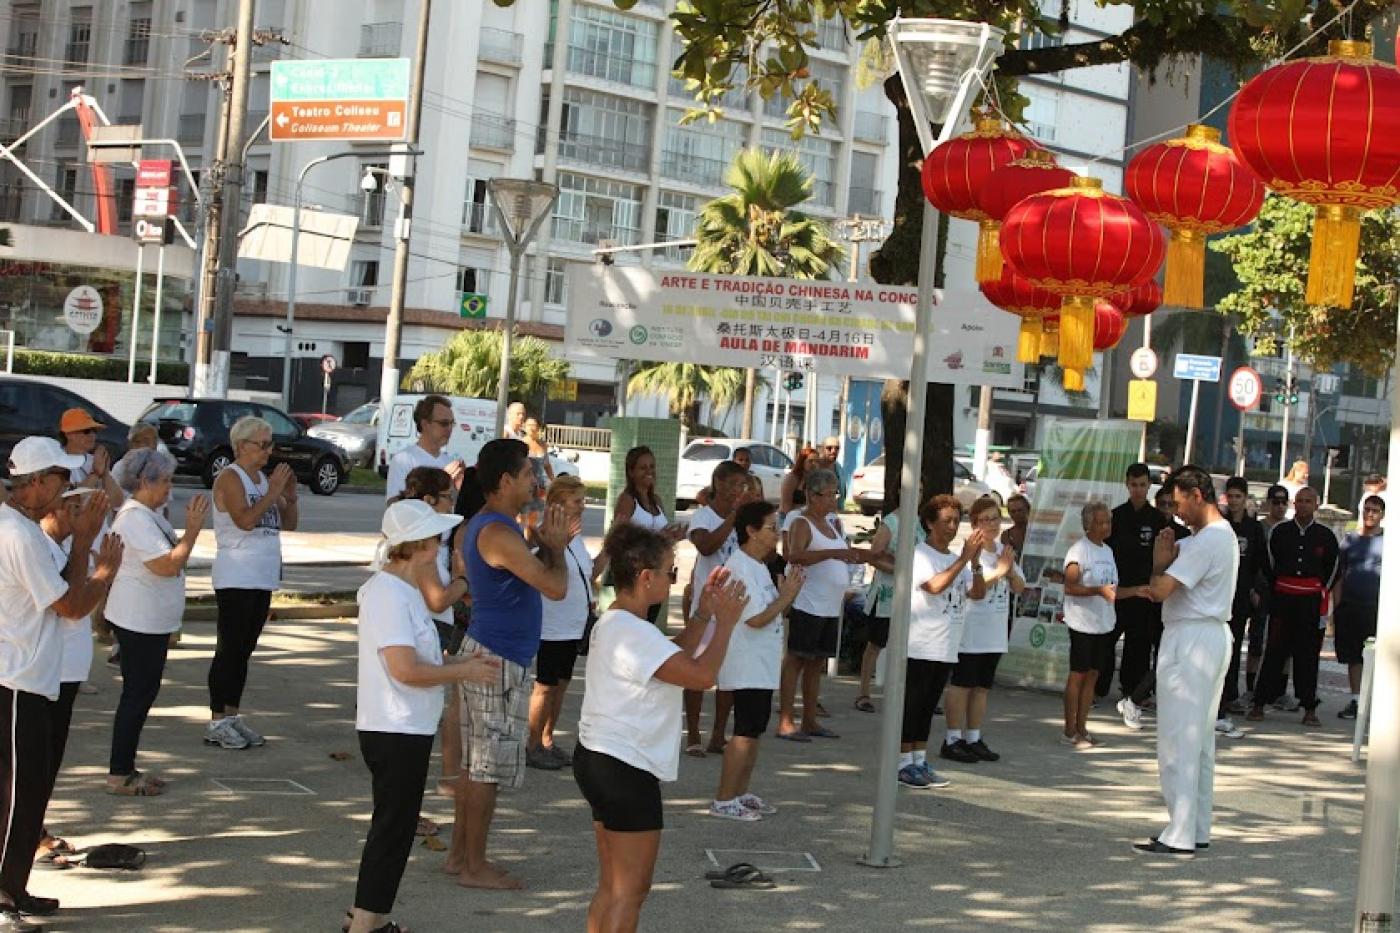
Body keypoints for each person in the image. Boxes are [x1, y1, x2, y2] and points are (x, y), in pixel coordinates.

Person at [574, 524, 748, 932]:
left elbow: (672, 655)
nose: (674, 581)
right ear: (646, 577)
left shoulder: (620, 622)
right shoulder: (632, 632)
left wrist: (704, 613)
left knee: (613, 886)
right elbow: (702, 676)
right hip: (624, 769)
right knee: (630, 891)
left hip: (602, 760)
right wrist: (725, 623)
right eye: (671, 572)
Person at [347, 499, 501, 933]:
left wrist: (453, 666)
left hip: (404, 726)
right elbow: (404, 668)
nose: (440, 545)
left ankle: (367, 916)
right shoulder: (388, 594)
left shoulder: (402, 591)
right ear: (419, 545)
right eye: (435, 537)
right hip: (394, 728)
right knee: (392, 832)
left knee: (392, 829)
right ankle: (366, 924)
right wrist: (463, 671)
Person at [0, 436, 122, 925]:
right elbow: (73, 606)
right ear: (34, 484)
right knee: (14, 798)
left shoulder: (29, 533)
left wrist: (83, 543)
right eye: (61, 479)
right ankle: (3, 896)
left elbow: (67, 598)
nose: (69, 488)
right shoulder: (18, 536)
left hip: (32, 679)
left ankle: (13, 886)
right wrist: (104, 567)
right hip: (14, 680)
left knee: (31, 793)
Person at [447, 438, 568, 891]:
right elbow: (554, 588)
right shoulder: (496, 530)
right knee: (485, 769)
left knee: (478, 765)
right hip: (496, 659)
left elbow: (516, 578)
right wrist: (553, 549)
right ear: (504, 480)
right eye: (527, 474)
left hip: (494, 654)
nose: (535, 482)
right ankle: (474, 866)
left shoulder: (497, 527)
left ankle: (461, 858)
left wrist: (540, 546)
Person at [1135, 466, 1239, 858]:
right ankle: (1195, 827)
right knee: (1199, 740)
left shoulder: (1205, 541)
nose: (1176, 512)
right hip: (1207, 634)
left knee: (1180, 737)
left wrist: (1160, 560)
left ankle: (1179, 831)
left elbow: (1159, 590)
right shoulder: (1218, 536)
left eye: (1178, 502)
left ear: (1197, 494)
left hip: (1192, 637)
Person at [105, 449, 209, 795]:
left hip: (152, 620)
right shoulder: (134, 517)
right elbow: (166, 565)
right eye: (165, 480)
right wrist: (192, 531)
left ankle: (126, 766)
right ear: (144, 481)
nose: (170, 487)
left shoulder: (151, 516)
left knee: (143, 693)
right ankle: (119, 773)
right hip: (137, 620)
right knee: (137, 695)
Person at [206, 415, 299, 750]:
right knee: (229, 649)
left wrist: (288, 495)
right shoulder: (231, 478)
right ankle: (217, 719)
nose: (268, 451)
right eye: (262, 444)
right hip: (237, 573)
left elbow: (288, 524)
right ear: (241, 446)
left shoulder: (262, 479)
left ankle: (232, 715)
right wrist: (272, 491)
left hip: (262, 575)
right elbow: (245, 520)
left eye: (271, 444)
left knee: (244, 651)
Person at [710, 501, 804, 821]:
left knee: (755, 730)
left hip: (762, 663)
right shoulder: (738, 567)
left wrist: (785, 597)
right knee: (745, 730)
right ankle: (724, 798)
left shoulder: (760, 566)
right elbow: (755, 619)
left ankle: (740, 791)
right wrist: (787, 596)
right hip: (746, 661)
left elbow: (774, 611)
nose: (776, 534)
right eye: (771, 528)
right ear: (750, 531)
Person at [391, 467, 471, 801]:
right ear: (428, 500)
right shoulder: (418, 546)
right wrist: (463, 582)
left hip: (435, 630)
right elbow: (436, 599)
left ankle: (431, 788)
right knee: (414, 720)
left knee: (432, 713)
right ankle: (420, 798)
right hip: (426, 631)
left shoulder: (431, 544)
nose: (453, 503)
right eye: (448, 498)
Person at [897, 495, 986, 788]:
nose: (952, 526)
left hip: (946, 645)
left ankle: (919, 760)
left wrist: (974, 563)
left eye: (956, 520)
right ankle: (902, 762)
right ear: (929, 523)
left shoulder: (952, 559)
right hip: (921, 644)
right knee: (912, 706)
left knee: (927, 708)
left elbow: (977, 594)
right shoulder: (920, 554)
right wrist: (962, 559)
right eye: (946, 520)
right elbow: (934, 586)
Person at [775, 468, 867, 742]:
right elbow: (794, 555)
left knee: (816, 662)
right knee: (796, 659)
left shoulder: (830, 522)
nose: (833, 499)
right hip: (808, 602)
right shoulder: (802, 522)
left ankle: (810, 719)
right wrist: (834, 553)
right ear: (812, 495)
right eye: (828, 494)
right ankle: (786, 720)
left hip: (829, 605)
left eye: (835, 493)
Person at [942, 496, 1024, 763]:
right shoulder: (970, 551)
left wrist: (1008, 571)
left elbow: (1020, 585)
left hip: (995, 629)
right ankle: (952, 738)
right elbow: (972, 590)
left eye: (995, 518)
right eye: (985, 519)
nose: (991, 524)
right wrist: (1000, 571)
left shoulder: (1003, 549)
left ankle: (973, 737)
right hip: (971, 629)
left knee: (982, 687)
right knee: (962, 684)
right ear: (975, 523)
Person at [1249, 486, 1338, 726]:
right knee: (1275, 651)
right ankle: (1259, 702)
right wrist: (1278, 587)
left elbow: (1333, 569)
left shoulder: (1326, 536)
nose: (1303, 505)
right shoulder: (1280, 532)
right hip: (1283, 599)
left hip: (1310, 602)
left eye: (1308, 501)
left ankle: (1309, 707)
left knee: (1307, 655)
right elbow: (1269, 563)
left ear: (1316, 505)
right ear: (1293, 504)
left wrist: (1320, 592)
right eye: (1299, 501)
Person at [683, 460, 753, 756]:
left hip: (733, 606)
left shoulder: (742, 518)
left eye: (742, 486)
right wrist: (733, 518)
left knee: (730, 672)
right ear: (719, 483)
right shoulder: (704, 516)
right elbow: (707, 546)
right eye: (734, 485)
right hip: (707, 606)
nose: (738, 491)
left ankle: (718, 735)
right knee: (697, 667)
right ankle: (694, 734)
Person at [527, 475, 595, 770]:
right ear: (557, 504)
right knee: (545, 685)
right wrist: (557, 545)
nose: (582, 506)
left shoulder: (575, 536)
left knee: (561, 684)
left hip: (573, 623)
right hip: (552, 624)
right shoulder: (545, 533)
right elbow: (538, 567)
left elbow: (586, 572)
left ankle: (547, 739)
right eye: (576, 501)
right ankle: (531, 746)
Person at [1063, 502, 1141, 749]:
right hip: (1082, 623)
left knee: (1093, 676)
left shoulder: (1107, 551)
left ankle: (1083, 727)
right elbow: (1070, 586)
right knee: (1078, 675)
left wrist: (1139, 591)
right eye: (1100, 522)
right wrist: (1097, 590)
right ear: (1088, 524)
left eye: (1108, 521)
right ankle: (1069, 730)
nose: (1106, 526)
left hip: (1104, 624)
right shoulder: (1079, 551)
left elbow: (1113, 590)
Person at [1106, 464, 1168, 704]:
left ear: (1149, 486)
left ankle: (1133, 691)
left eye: (1143, 485)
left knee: (1139, 644)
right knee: (1107, 640)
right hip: (1118, 590)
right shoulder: (1116, 516)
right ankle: (1099, 687)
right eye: (1134, 485)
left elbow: (1162, 555)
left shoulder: (1157, 519)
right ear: (1127, 484)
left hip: (1144, 592)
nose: (1138, 490)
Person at [607, 447, 681, 624]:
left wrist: (672, 536)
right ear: (631, 472)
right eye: (643, 467)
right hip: (636, 577)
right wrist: (658, 536)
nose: (649, 471)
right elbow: (618, 538)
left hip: (658, 574)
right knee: (635, 624)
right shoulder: (627, 500)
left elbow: (660, 537)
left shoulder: (657, 500)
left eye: (652, 467)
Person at [1216, 477, 1267, 734]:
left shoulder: (1254, 528)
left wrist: (1256, 590)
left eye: (1239, 497)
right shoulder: (1219, 525)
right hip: (1220, 592)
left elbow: (1260, 562)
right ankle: (1218, 696)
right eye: (1231, 496)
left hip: (1242, 595)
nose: (1234, 501)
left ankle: (1231, 694)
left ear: (1245, 498)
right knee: (1219, 644)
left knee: (1235, 646)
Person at [1333, 495, 1383, 720]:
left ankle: (1378, 703)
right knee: (1354, 656)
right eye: (1367, 510)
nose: (1370, 514)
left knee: (1378, 657)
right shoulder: (1349, 540)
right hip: (1350, 605)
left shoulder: (1388, 541)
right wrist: (1337, 606)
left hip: (1376, 608)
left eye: (1375, 510)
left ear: (1382, 514)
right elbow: (1340, 575)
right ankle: (1356, 700)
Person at [1248, 484, 1292, 699]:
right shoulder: (1259, 528)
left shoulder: (1290, 530)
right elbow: (1253, 562)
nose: (1280, 506)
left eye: (1284, 502)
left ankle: (1280, 690)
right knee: (1256, 639)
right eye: (1276, 501)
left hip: (1283, 591)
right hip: (1261, 588)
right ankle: (1250, 688)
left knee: (1283, 640)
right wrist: (1252, 589)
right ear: (1268, 503)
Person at [855, 499, 898, 714]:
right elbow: (874, 556)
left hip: (912, 596)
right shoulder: (890, 522)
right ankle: (863, 692)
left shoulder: (920, 522)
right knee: (876, 643)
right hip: (885, 594)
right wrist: (897, 569)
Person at [385, 395, 465, 501]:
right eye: (444, 423)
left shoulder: (449, 462)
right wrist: (442, 480)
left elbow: (453, 506)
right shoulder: (403, 460)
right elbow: (394, 504)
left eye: (452, 423)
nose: (449, 429)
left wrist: (460, 487)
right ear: (425, 424)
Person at [59, 408, 123, 507]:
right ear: (69, 434)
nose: (92, 435)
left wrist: (105, 474)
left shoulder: (95, 460)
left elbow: (117, 503)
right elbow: (71, 502)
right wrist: (95, 474)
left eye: (94, 431)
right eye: (86, 431)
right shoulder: (57, 462)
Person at [779, 445, 816, 519]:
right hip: (788, 518)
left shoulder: (814, 479)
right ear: (802, 462)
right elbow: (786, 505)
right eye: (811, 461)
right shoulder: (792, 478)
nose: (814, 464)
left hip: (806, 518)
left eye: (817, 461)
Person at [818, 436, 846, 505]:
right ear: (822, 449)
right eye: (829, 448)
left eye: (837, 448)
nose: (833, 451)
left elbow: (841, 493)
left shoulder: (839, 468)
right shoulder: (814, 466)